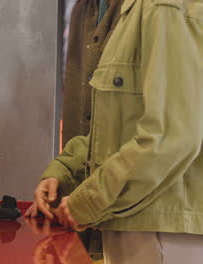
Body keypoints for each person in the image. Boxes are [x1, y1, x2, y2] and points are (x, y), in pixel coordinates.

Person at [26, 0, 203, 263]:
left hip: (160, 226)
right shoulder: (134, 11)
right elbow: (120, 126)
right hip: (138, 222)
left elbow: (172, 136)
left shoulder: (163, 7)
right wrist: (65, 172)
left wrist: (89, 201)